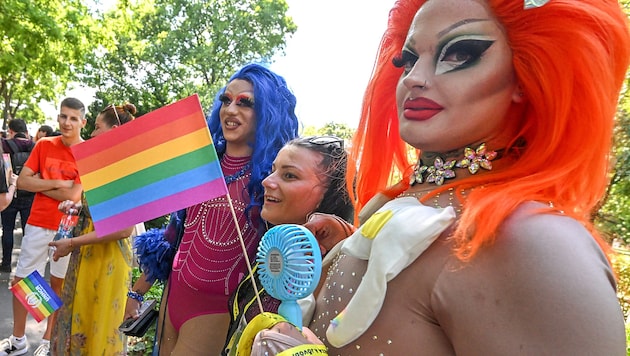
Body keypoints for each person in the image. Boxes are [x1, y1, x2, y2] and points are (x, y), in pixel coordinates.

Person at [256, 0, 630, 354]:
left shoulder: (534, 240)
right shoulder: (393, 208)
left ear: (527, 70)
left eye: (459, 52)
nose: (414, 78)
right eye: (408, 60)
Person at [126, 63, 300, 355]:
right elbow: (171, 239)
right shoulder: (199, 165)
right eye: (226, 100)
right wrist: (136, 292)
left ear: (267, 113)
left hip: (215, 311)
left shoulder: (270, 181)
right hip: (173, 297)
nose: (231, 110)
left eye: (245, 103)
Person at [222, 135, 355, 355]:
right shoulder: (273, 255)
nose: (267, 181)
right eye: (273, 170)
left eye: (289, 175)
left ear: (331, 193)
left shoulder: (337, 274)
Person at [47, 103, 138, 354]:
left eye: (97, 127)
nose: (93, 134)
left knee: (99, 328)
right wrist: (78, 210)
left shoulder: (127, 171)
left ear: (115, 131)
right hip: (88, 253)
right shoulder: (103, 166)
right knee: (83, 319)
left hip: (107, 260)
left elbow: (123, 229)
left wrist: (72, 243)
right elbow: (101, 213)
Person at [0, 97, 86, 356]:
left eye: (73, 118)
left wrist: (45, 181)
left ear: (83, 121)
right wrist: (61, 184)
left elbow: (75, 197)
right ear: (58, 117)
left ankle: (48, 342)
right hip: (37, 222)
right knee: (22, 280)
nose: (67, 122)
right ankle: (18, 339)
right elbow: (24, 183)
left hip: (66, 227)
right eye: (63, 116)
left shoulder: (87, 152)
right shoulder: (44, 145)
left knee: (58, 284)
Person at [1, 119, 36, 273]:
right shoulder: (35, 147)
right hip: (29, 193)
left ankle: (6, 263)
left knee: (7, 230)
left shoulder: (5, 145)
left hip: (9, 191)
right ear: (26, 131)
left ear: (11, 130)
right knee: (28, 232)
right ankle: (26, 265)